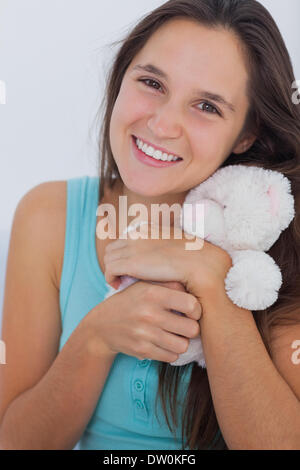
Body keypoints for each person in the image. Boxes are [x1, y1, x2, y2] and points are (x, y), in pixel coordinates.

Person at [0, 0, 300, 450]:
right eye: (152, 82)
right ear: (121, 79)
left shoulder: (276, 233)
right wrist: (96, 337)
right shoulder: (48, 217)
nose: (162, 123)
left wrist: (210, 277)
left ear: (247, 133)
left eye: (206, 105)